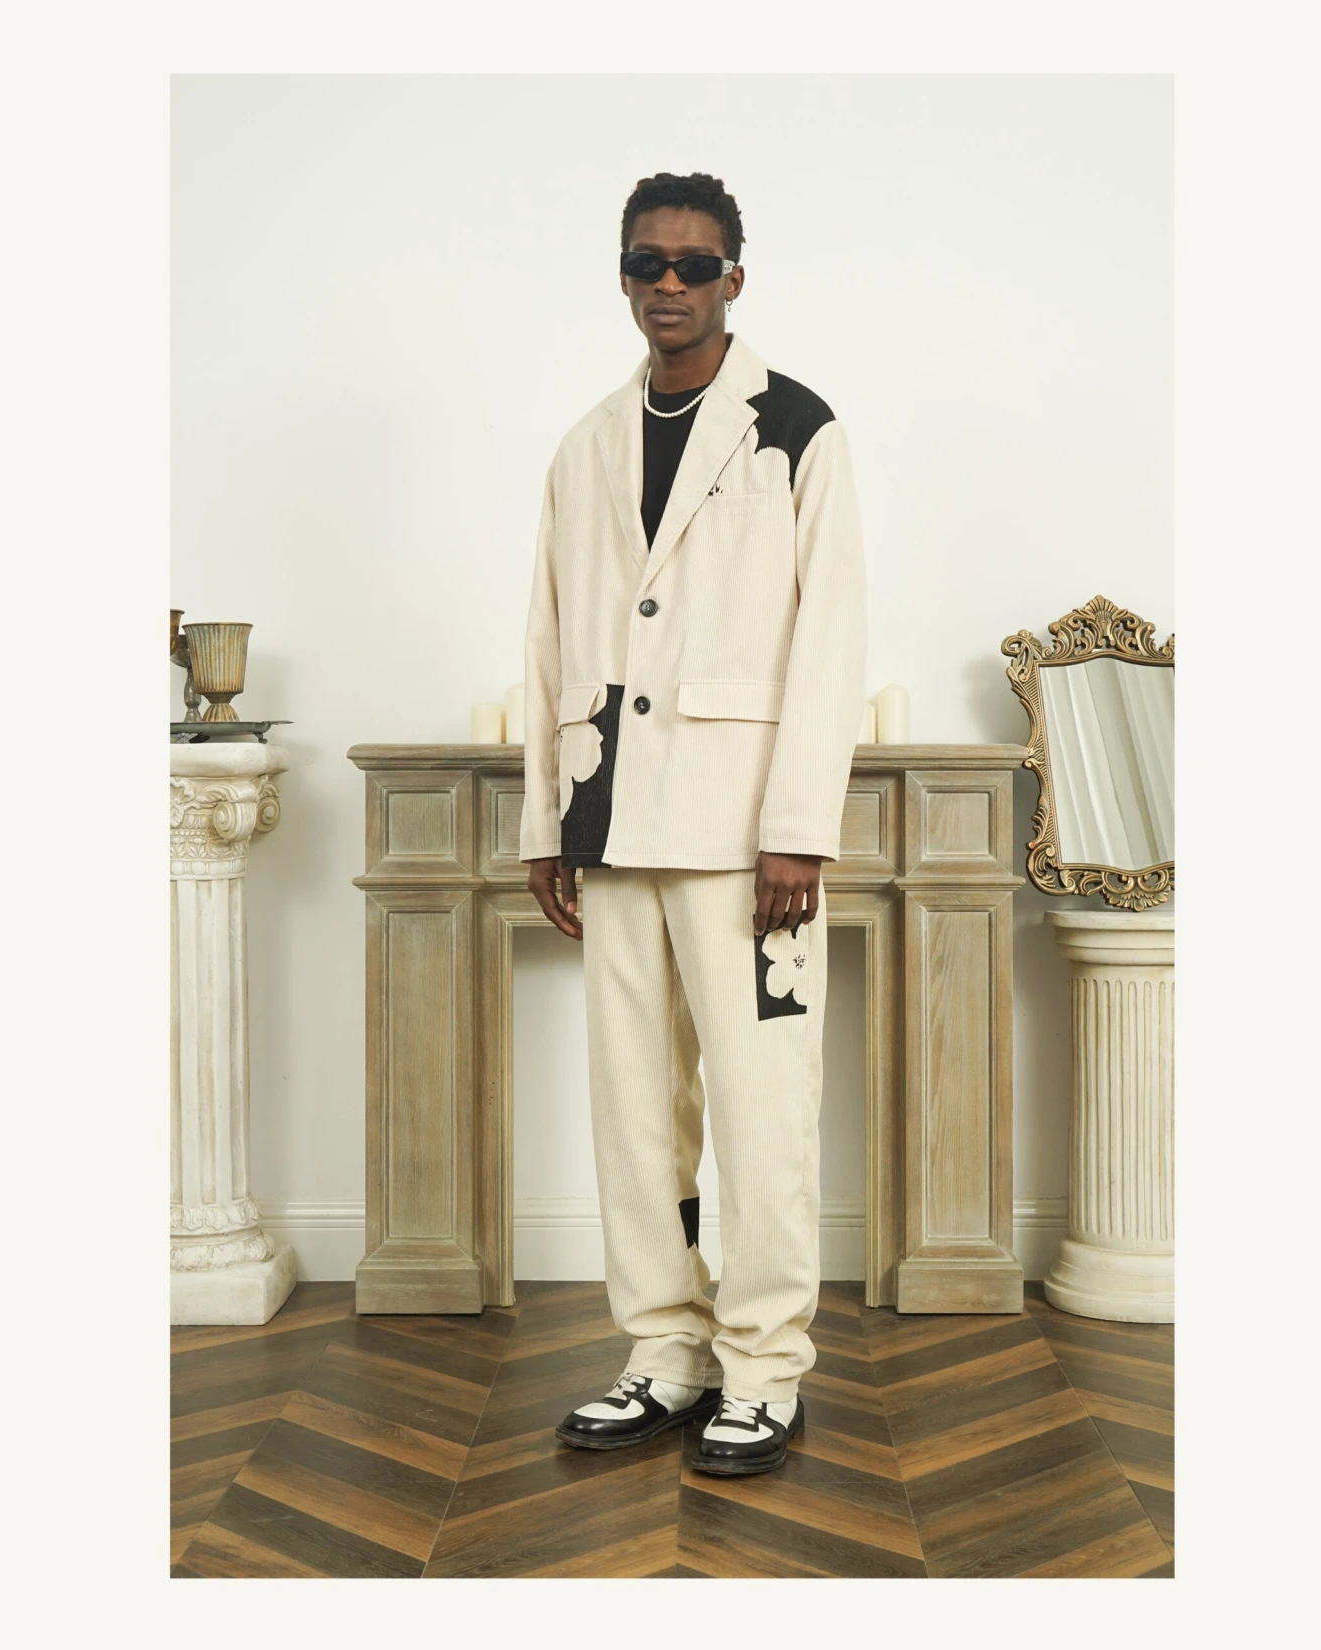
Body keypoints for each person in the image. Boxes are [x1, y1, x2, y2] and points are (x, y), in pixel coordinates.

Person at [519, 171, 867, 1476]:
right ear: (623, 276)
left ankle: (763, 1366)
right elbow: (549, 636)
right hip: (612, 820)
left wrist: (799, 828)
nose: (669, 285)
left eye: (694, 264)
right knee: (633, 1111)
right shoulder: (586, 444)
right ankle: (664, 1350)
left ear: (734, 278)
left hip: (743, 838)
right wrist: (548, 822)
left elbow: (830, 636)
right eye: (647, 264)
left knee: (764, 1109)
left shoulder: (798, 428)